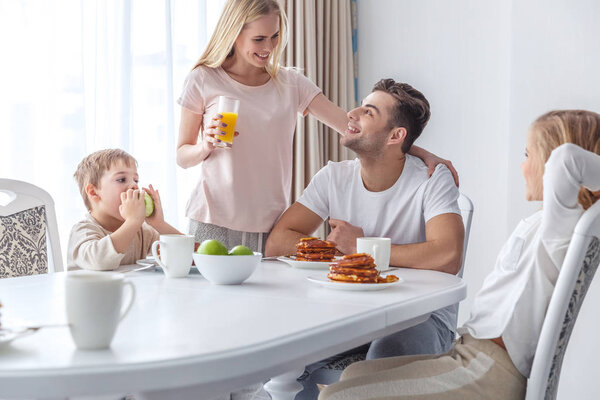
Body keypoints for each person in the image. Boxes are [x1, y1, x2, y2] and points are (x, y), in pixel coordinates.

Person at [318, 110, 600, 400]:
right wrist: (407, 149)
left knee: (337, 396)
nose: (522, 165)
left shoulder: (561, 226)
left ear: (550, 165)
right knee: (354, 374)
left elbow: (567, 158)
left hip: (488, 371)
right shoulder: (547, 225)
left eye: (528, 155)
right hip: (471, 354)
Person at [176, 0, 458, 255]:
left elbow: (353, 127)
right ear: (233, 34)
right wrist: (205, 146)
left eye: (274, 36)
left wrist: (419, 152)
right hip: (211, 221)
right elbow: (182, 155)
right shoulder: (203, 80)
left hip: (268, 226)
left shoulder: (290, 84)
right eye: (258, 39)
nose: (268, 48)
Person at [265, 78, 465, 398]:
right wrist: (337, 248)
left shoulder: (431, 179)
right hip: (348, 312)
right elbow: (278, 241)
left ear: (396, 136)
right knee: (282, 354)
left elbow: (447, 255)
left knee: (380, 364)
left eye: (368, 112)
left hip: (418, 318)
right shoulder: (334, 176)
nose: (352, 113)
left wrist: (362, 247)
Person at [68, 149, 181, 271]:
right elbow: (99, 261)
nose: (134, 186)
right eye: (121, 179)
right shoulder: (83, 230)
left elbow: (188, 255)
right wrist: (132, 221)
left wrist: (159, 224)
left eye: (136, 180)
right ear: (93, 192)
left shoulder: (142, 232)